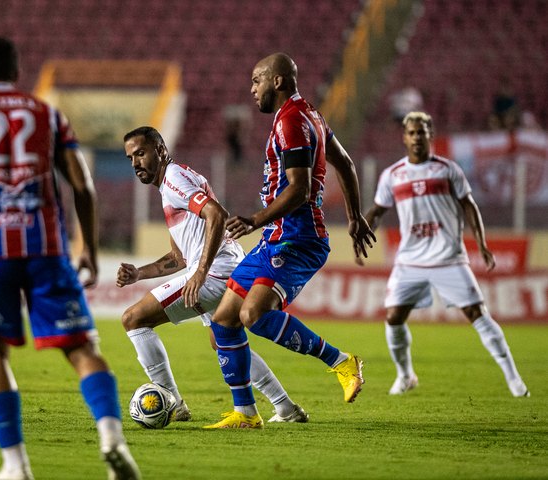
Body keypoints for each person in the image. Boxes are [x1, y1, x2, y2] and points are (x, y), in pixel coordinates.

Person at [0, 36, 140, 480]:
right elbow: (83, 185)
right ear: (17, 73)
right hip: (47, 247)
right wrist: (89, 250)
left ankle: (16, 465)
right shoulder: (48, 115)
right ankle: (113, 439)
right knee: (82, 348)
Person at [204, 53, 376, 429]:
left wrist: (254, 219)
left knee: (253, 315)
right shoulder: (311, 115)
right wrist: (353, 216)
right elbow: (345, 164)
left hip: (297, 238)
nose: (252, 89)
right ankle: (246, 414)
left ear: (278, 81)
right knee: (223, 322)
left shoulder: (292, 121)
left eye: (257, 80)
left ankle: (342, 362)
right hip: (276, 238)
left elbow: (299, 189)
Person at [118, 126, 309, 424]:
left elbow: (216, 213)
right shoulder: (172, 185)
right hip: (226, 266)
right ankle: (285, 407)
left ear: (161, 150)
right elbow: (178, 258)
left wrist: (201, 272)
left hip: (216, 270)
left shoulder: (174, 179)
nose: (135, 163)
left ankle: (173, 403)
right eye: (130, 158)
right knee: (223, 341)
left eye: (140, 154)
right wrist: (138, 274)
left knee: (133, 319)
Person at [359, 111, 529, 398]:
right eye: (412, 133)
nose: (417, 137)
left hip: (448, 256)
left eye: (421, 132)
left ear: (430, 135)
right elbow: (377, 211)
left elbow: (469, 205)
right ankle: (405, 376)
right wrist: (360, 236)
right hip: (410, 259)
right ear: (404, 137)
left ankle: (514, 379)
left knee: (476, 313)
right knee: (394, 316)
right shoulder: (392, 175)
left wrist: (482, 243)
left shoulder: (448, 170)